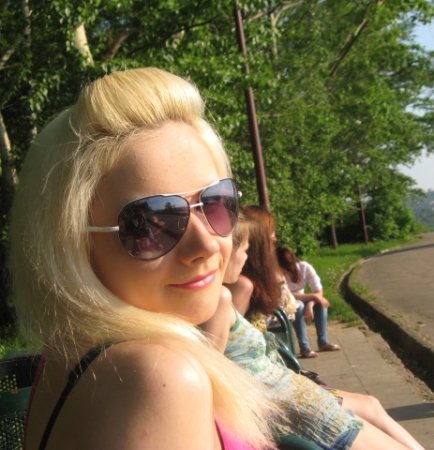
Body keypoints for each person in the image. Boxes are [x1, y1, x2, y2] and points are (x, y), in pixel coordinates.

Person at [8, 67, 283, 450]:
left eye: (216, 202)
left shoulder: (68, 354)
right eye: (152, 222)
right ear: (73, 244)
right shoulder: (161, 378)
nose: (206, 244)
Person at [206, 213, 426, 450]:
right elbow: (212, 370)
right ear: (226, 250)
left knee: (371, 406)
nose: (246, 256)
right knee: (371, 411)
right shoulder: (224, 296)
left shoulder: (222, 295)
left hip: (297, 396)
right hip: (296, 406)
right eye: (245, 249)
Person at [276, 246, 340, 358]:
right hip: (286, 303)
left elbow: (319, 291)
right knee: (299, 306)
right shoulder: (278, 273)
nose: (286, 271)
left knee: (321, 304)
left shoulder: (305, 268)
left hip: (303, 299)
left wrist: (310, 304)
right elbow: (287, 294)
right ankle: (305, 348)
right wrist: (313, 296)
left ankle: (323, 342)